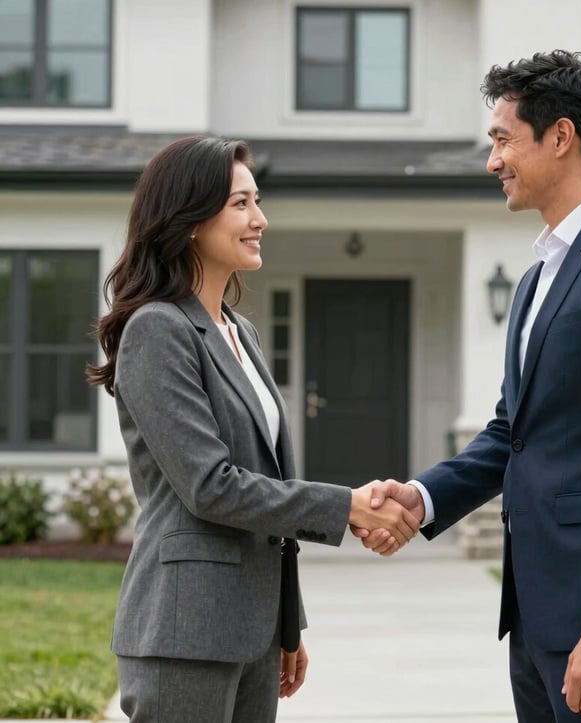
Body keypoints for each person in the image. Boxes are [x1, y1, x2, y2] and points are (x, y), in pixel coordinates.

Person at [355, 50, 581, 722]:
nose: (493, 161)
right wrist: (423, 497)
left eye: (503, 139)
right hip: (539, 615)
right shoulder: (539, 272)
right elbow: (511, 433)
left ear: (561, 136)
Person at [86, 135, 419, 723]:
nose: (260, 219)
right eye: (241, 204)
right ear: (189, 218)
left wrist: (287, 623)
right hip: (183, 633)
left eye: (257, 202)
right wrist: (348, 507)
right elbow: (210, 486)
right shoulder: (157, 330)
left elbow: (266, 484)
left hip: (255, 633)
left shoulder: (241, 333)